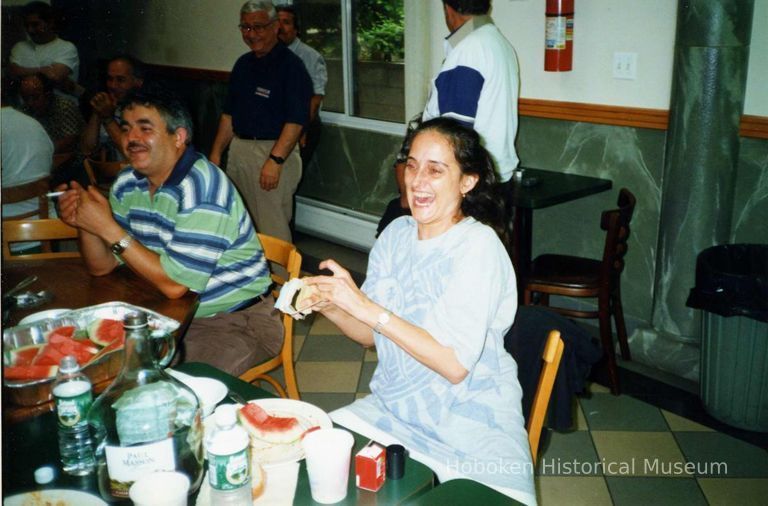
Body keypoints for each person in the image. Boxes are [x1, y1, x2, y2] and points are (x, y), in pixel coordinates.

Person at [302, 118, 534, 505]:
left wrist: (365, 306)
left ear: (467, 181)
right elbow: (371, 334)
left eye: (435, 170)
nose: (417, 180)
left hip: (471, 428)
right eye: (411, 165)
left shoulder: (479, 247)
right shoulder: (395, 235)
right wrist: (335, 306)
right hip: (391, 413)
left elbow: (453, 364)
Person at [56, 87, 283, 376]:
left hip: (234, 320)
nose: (131, 138)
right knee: (91, 369)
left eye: (145, 128)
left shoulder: (202, 188)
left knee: (171, 391)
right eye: (126, 129)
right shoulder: (127, 183)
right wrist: (86, 222)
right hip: (163, 313)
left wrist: (107, 227)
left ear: (178, 137)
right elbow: (103, 267)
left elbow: (176, 285)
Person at [210, 0, 313, 245]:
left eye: (258, 27)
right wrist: (215, 155)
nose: (251, 34)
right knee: (240, 223)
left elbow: (296, 121)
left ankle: (283, 282)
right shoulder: (243, 65)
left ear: (275, 26)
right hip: (240, 150)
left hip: (273, 153)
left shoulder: (292, 67)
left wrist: (275, 161)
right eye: (245, 28)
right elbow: (228, 114)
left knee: (272, 230)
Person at [422, 0, 520, 188]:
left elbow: (453, 134)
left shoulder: (468, 50)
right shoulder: (499, 43)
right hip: (492, 178)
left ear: (448, 9)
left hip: (470, 181)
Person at [276, 4, 327, 166]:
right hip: (275, 126)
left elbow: (315, 99)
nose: (280, 27)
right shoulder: (269, 55)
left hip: (303, 125)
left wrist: (302, 130)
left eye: (286, 22)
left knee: (289, 176)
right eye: (277, 22)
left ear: (296, 29)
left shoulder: (310, 57)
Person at [9, 1, 82, 101]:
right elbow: (13, 72)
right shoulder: (19, 47)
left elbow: (55, 75)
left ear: (50, 23)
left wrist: (24, 71)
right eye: (27, 25)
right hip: (27, 109)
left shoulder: (67, 47)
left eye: (35, 25)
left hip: (61, 110)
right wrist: (43, 70)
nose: (30, 30)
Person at [80, 54, 145, 161]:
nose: (113, 86)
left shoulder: (145, 111)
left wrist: (108, 119)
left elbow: (131, 153)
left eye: (120, 80)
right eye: (110, 79)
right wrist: (97, 111)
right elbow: (86, 150)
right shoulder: (112, 106)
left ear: (138, 83)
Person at [19, 73, 84, 154]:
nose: (30, 102)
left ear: (48, 94)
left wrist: (41, 152)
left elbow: (70, 141)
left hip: (74, 159)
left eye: (35, 97)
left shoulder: (64, 107)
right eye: (25, 98)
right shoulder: (25, 110)